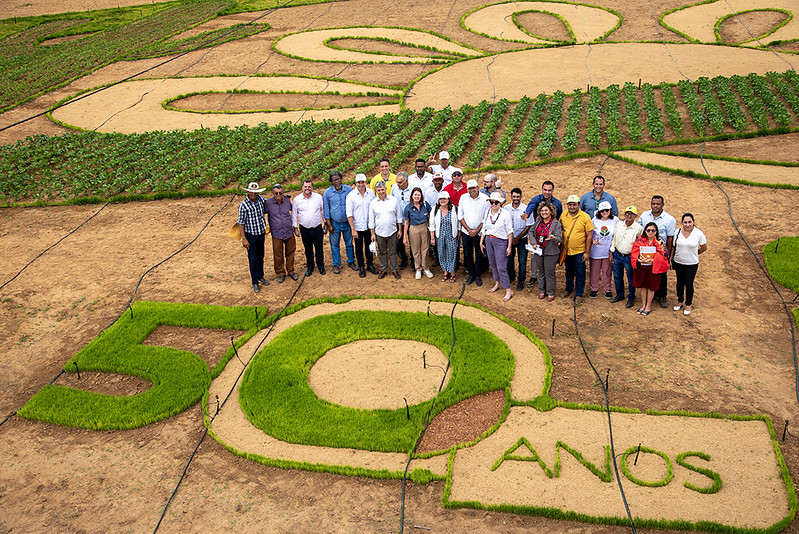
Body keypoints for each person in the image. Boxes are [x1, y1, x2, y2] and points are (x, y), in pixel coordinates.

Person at [638, 195, 676, 309]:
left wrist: (667, 256)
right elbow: (640, 232)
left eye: (658, 204)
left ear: (663, 205)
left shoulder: (669, 219)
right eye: (653, 203)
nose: (655, 206)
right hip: (646, 250)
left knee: (661, 274)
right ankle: (652, 295)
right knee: (649, 274)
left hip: (660, 250)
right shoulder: (644, 215)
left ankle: (662, 296)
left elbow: (670, 238)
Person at [522, 180, 562, 287]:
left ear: (552, 190)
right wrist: (526, 214)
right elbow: (530, 206)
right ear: (542, 190)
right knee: (535, 257)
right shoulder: (536, 199)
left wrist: (555, 231)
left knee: (549, 259)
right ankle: (534, 277)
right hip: (539, 232)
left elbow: (559, 218)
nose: (547, 192)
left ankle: (547, 282)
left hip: (551, 235)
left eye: (549, 190)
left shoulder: (557, 203)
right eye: (545, 190)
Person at [559, 194, 593, 304]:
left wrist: (587, 253)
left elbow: (589, 235)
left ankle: (578, 293)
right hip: (567, 251)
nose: (572, 207)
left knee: (580, 273)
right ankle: (568, 288)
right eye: (570, 205)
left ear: (579, 205)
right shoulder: (563, 216)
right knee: (568, 271)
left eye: (574, 204)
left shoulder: (585, 217)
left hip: (580, 251)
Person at [671, 213, 708, 316]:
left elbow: (704, 247)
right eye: (685, 222)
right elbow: (674, 247)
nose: (687, 224)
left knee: (689, 283)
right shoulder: (677, 232)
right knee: (679, 282)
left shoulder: (698, 233)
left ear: (693, 222)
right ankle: (680, 301)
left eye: (689, 222)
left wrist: (696, 254)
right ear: (682, 223)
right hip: (679, 262)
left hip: (691, 263)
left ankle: (688, 304)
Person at [480, 192, 514, 301]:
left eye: (496, 202)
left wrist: (509, 246)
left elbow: (510, 231)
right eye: (491, 202)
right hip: (489, 239)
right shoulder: (487, 212)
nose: (493, 204)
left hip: (501, 241)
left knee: (501, 266)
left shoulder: (505, 214)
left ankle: (508, 289)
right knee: (493, 264)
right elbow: (484, 228)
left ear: (500, 203)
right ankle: (497, 282)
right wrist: (481, 242)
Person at [631, 222, 670, 316]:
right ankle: (643, 305)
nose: (650, 232)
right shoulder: (641, 239)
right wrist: (639, 259)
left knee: (651, 287)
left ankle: (648, 306)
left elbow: (664, 255)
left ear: (656, 232)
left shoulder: (659, 242)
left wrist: (653, 260)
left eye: (653, 230)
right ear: (645, 231)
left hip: (653, 268)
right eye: (648, 230)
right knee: (643, 287)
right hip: (642, 267)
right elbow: (634, 251)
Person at [238, 182, 270, 293]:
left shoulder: (261, 200)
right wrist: (244, 238)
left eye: (255, 192)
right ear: (248, 192)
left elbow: (270, 203)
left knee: (261, 256)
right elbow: (241, 223)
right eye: (251, 192)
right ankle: (255, 282)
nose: (253, 194)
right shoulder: (243, 205)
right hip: (250, 235)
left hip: (260, 233)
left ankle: (261, 276)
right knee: (252, 259)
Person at [609, 205, 644, 308]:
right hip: (618, 254)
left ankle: (631, 297)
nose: (629, 215)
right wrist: (611, 252)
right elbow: (614, 239)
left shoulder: (639, 228)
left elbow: (640, 244)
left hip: (629, 257)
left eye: (631, 214)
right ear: (624, 215)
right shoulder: (619, 224)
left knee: (631, 278)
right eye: (627, 213)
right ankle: (620, 295)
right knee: (617, 276)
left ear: (635, 216)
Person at [264, 184, 298, 283]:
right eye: (276, 193)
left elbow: (294, 210)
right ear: (272, 193)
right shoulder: (268, 203)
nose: (278, 195)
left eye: (280, 193)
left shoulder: (287, 201)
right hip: (276, 233)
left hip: (288, 231)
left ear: (283, 193)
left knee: (290, 252)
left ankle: (291, 271)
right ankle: (280, 273)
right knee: (278, 254)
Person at [323, 170, 355, 274]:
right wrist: (329, 225)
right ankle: (336, 264)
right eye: (334, 180)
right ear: (331, 182)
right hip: (334, 223)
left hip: (347, 223)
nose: (336, 182)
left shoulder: (348, 190)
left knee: (349, 243)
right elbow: (326, 210)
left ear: (341, 179)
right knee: (334, 244)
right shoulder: (327, 193)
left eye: (338, 179)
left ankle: (351, 261)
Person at [369, 181, 403, 279]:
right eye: (378, 190)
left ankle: (394, 270)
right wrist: (372, 234)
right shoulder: (373, 203)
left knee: (393, 251)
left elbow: (399, 217)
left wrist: (400, 230)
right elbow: (371, 220)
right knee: (382, 251)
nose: (381, 192)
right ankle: (383, 269)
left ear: (386, 189)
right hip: (379, 232)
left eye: (382, 189)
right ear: (376, 191)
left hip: (392, 231)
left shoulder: (393, 200)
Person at [458, 179, 489, 287]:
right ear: (467, 189)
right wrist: (468, 229)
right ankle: (471, 274)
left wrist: (477, 230)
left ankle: (477, 275)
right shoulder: (463, 198)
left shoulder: (485, 199)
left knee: (479, 254)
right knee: (467, 253)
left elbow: (485, 218)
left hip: (479, 233)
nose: (472, 190)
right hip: (466, 232)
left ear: (478, 187)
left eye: (474, 188)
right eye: (470, 188)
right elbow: (460, 215)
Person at [346, 173, 378, 277]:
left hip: (369, 226)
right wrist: (353, 229)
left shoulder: (371, 193)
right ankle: (361, 267)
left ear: (366, 182)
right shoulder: (351, 196)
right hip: (358, 227)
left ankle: (370, 264)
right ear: (356, 183)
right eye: (359, 182)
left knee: (369, 247)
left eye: (363, 182)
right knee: (358, 248)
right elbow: (349, 214)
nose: (361, 184)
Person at [530, 201, 562, 301]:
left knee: (549, 273)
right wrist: (533, 242)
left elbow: (560, 238)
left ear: (551, 212)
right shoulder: (538, 221)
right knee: (541, 272)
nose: (544, 212)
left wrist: (553, 238)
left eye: (546, 210)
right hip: (539, 250)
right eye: (542, 211)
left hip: (551, 252)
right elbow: (531, 232)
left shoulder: (556, 224)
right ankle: (542, 291)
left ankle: (551, 292)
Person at [293, 179, 326, 276]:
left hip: (317, 227)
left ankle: (321, 266)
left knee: (319, 248)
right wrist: (295, 227)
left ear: (312, 188)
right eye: (305, 187)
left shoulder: (319, 198)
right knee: (308, 249)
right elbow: (294, 215)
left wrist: (326, 224)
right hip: (304, 228)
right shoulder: (297, 200)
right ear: (302, 188)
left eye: (309, 187)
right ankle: (310, 267)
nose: (307, 189)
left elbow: (323, 211)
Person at [589, 201, 620, 299]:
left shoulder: (615, 220)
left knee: (607, 271)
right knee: (594, 271)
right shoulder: (594, 220)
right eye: (602, 210)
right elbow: (590, 233)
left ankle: (608, 289)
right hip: (596, 251)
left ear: (610, 210)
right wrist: (593, 241)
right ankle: (594, 289)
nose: (605, 212)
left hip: (608, 251)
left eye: (607, 210)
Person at [403, 187, 434, 279]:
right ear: (412, 196)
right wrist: (405, 236)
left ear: (421, 196)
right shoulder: (408, 207)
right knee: (415, 250)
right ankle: (418, 269)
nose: (417, 196)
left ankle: (425, 268)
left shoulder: (425, 205)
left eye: (419, 195)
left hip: (424, 227)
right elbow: (406, 222)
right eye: (415, 194)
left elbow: (431, 215)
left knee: (425, 248)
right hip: (414, 229)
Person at [429, 191, 459, 282]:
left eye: (444, 199)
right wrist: (432, 238)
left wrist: (459, 235)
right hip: (440, 235)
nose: (442, 201)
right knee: (441, 253)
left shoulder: (454, 209)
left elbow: (458, 224)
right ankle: (445, 271)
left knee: (451, 253)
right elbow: (432, 224)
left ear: (448, 199)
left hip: (451, 235)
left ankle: (452, 272)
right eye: (441, 199)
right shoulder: (435, 209)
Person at [505, 187, 531, 291]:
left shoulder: (526, 209)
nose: (516, 198)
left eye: (518, 196)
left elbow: (528, 225)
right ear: (511, 196)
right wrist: (512, 238)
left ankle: (521, 280)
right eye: (514, 196)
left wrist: (518, 238)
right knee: (509, 259)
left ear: (521, 196)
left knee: (522, 261)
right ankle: (511, 276)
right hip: (510, 238)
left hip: (522, 238)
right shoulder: (506, 208)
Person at [391, 171, 415, 270]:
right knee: (399, 242)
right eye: (397, 182)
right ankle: (404, 259)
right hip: (399, 220)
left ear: (406, 181)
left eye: (400, 182)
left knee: (413, 241)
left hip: (411, 220)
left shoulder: (413, 189)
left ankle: (413, 261)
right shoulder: (394, 188)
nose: (398, 184)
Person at [424, 173, 446, 266]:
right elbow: (427, 206)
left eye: (439, 180)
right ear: (433, 181)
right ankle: (438, 258)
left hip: (445, 216)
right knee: (436, 238)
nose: (438, 182)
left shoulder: (446, 190)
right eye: (436, 180)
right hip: (433, 216)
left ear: (443, 181)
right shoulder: (428, 192)